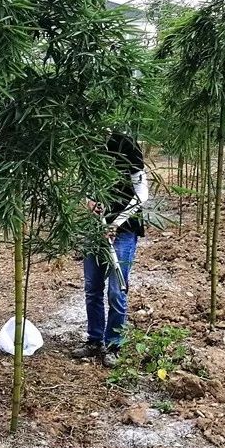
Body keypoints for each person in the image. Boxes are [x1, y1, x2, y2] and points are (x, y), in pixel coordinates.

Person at [73, 132, 148, 368]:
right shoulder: (88, 149)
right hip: (96, 229)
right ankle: (94, 339)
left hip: (124, 229)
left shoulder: (126, 146)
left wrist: (116, 223)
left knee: (117, 289)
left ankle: (114, 344)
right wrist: (90, 204)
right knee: (92, 287)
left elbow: (142, 194)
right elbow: (84, 188)